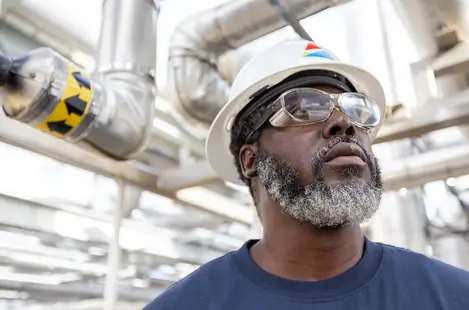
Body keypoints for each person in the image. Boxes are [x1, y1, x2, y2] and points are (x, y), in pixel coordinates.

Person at [143, 40, 469, 309]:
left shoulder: (453, 297)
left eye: (356, 108)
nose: (344, 123)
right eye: (304, 107)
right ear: (250, 160)